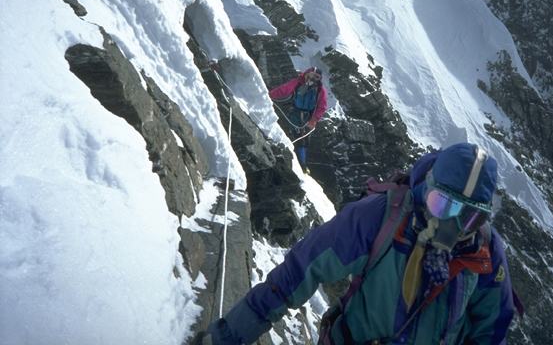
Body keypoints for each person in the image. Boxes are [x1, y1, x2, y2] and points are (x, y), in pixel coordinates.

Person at [202, 142, 517, 345]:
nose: (452, 226)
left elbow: (491, 331)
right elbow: (301, 269)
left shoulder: (485, 251)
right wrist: (228, 336)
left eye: (470, 217)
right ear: (425, 190)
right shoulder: (379, 217)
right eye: (441, 204)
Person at [269, 67, 328, 173]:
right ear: (307, 74)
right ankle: (302, 166)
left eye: (316, 77)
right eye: (311, 75)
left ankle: (302, 163)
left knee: (306, 140)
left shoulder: (320, 90)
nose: (313, 78)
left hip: (309, 116)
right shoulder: (298, 83)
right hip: (296, 114)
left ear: (320, 79)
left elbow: (322, 106)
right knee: (298, 137)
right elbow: (283, 90)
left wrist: (313, 120)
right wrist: (269, 94)